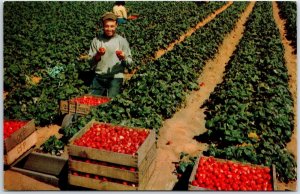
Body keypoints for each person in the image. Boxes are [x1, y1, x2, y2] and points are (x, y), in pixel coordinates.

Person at [88, 12, 132, 97]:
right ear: (102, 26)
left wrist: (123, 57)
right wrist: (98, 55)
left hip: (115, 77)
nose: (109, 29)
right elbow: (90, 63)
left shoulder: (122, 41)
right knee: (90, 102)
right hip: (99, 76)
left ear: (116, 25)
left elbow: (130, 63)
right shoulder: (96, 40)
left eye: (112, 26)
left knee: (112, 104)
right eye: (106, 26)